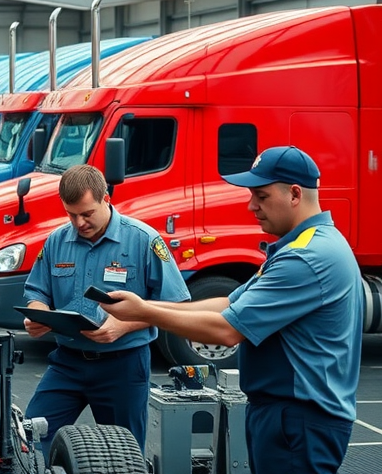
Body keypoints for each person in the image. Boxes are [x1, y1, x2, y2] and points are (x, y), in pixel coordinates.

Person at [101, 146, 362, 474]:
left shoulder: (305, 258)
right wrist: (144, 306)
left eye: (261, 196)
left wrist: (145, 313)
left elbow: (227, 330)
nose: (251, 205)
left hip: (299, 420)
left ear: (295, 194)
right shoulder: (303, 245)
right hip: (289, 416)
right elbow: (229, 302)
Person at [21, 164, 190, 456]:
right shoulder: (56, 241)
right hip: (67, 363)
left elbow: (175, 304)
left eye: (87, 214)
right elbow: (37, 291)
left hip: (122, 365)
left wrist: (123, 326)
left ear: (106, 200)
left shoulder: (143, 240)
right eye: (71, 214)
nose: (79, 223)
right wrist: (38, 315)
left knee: (125, 455)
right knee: (29, 442)